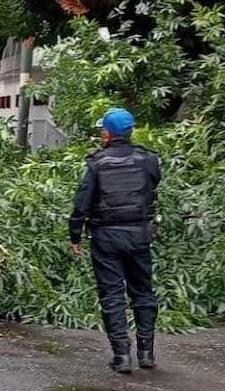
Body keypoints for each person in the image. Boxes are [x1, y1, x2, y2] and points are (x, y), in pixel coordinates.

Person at [69, 108, 161, 374]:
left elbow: (81, 204)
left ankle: (121, 355)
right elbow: (153, 185)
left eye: (102, 130)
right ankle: (146, 353)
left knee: (112, 295)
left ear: (107, 134)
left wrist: (75, 235)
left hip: (106, 237)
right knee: (143, 292)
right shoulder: (148, 160)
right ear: (130, 132)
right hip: (139, 234)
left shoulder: (96, 164)